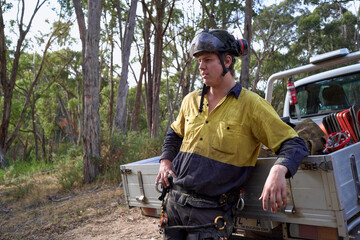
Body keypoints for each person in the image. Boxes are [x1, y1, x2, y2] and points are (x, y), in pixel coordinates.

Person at [155, 29, 308, 240]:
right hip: (174, 206)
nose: (201, 66)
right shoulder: (190, 100)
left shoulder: (252, 105)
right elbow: (174, 133)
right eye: (199, 60)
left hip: (209, 215)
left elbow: (294, 143)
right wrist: (165, 161)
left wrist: (278, 170)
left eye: (207, 60)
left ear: (227, 61)